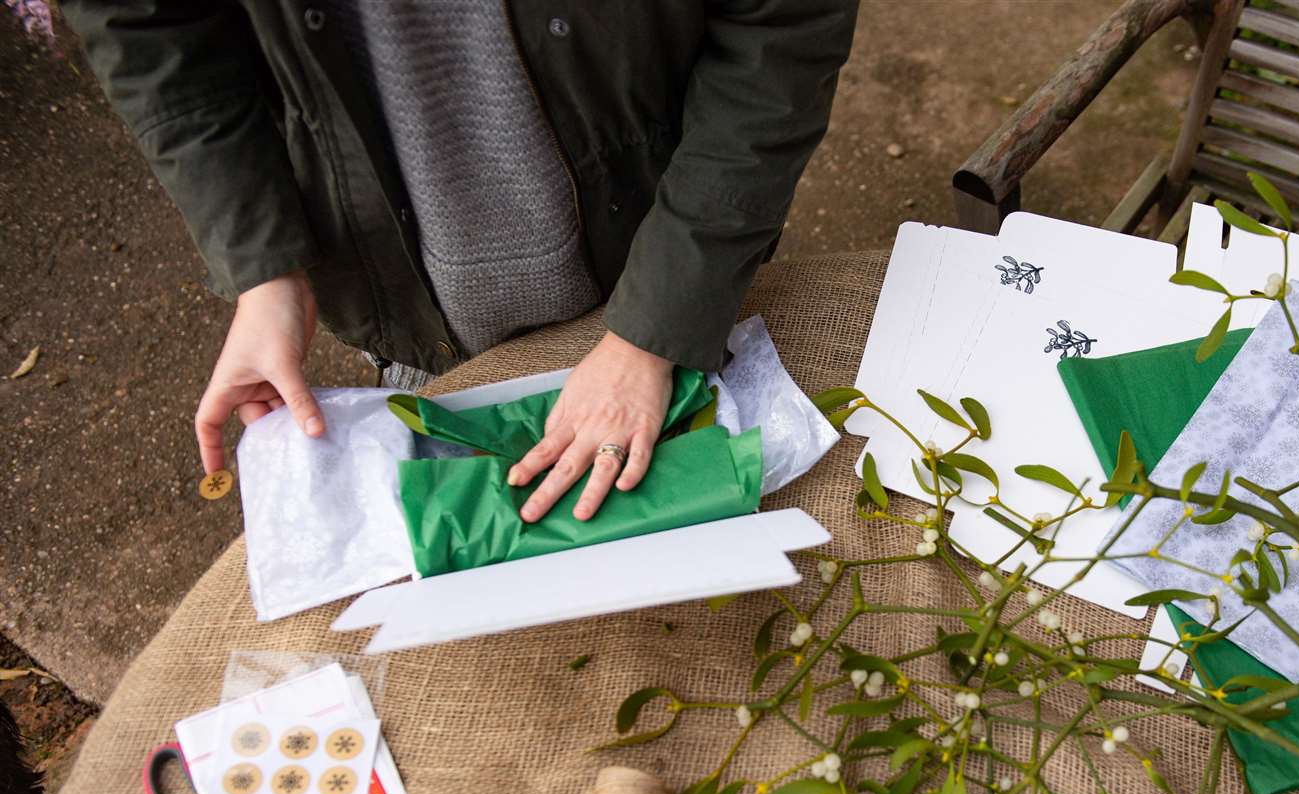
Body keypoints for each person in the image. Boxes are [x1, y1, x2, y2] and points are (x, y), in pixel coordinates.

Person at [64, 1, 858, 523]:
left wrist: (657, 325)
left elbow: (780, 34)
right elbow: (151, 36)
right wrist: (265, 270)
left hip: (644, 228)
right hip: (404, 285)